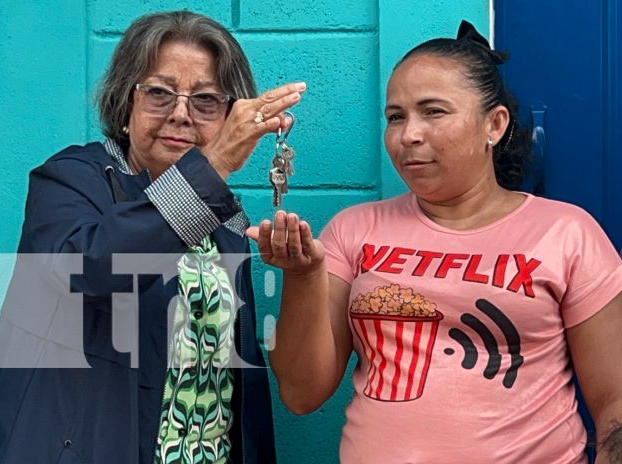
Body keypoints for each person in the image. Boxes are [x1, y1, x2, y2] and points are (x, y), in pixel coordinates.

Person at [248, 21, 622, 463]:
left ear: (494, 124)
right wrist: (304, 275)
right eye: (396, 117)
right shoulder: (354, 229)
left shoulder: (566, 233)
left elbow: (614, 403)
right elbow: (300, 393)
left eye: (434, 111)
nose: (409, 135)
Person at [0, 10, 304, 464]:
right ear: (126, 106)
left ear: (226, 117)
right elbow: (91, 270)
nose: (180, 115)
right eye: (159, 93)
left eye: (205, 101)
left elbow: (235, 382)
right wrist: (214, 166)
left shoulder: (225, 221)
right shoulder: (72, 179)